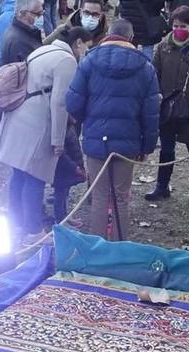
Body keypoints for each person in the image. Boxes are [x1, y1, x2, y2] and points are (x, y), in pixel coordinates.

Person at [63, 18, 159, 242]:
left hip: (97, 139)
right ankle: (120, 246)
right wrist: (147, 145)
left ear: (108, 33)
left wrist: (88, 118)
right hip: (128, 140)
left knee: (99, 196)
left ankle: (99, 247)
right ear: (131, 37)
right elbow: (151, 112)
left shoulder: (89, 61)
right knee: (121, 197)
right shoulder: (145, 66)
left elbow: (73, 103)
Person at [0, 21, 78, 238]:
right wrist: (58, 140)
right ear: (78, 43)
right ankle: (33, 229)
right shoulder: (67, 60)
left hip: (18, 116)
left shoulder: (43, 50)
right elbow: (59, 102)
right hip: (37, 123)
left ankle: (16, 223)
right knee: (35, 178)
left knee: (18, 174)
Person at [146, 8, 189, 210]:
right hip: (168, 107)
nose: (178, 30)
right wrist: (157, 99)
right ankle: (162, 186)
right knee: (166, 150)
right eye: (175, 26)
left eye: (182, 27)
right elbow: (154, 75)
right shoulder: (163, 46)